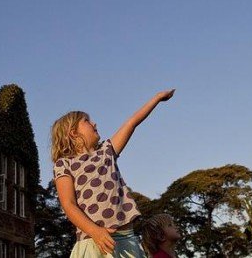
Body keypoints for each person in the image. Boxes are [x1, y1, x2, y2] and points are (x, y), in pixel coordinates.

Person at [52, 89, 176, 257]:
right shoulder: (64, 164)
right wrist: (94, 231)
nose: (94, 123)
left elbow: (131, 123)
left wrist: (157, 98)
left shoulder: (107, 150)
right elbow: (69, 204)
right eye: (87, 121)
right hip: (92, 240)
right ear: (73, 133)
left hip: (126, 240)